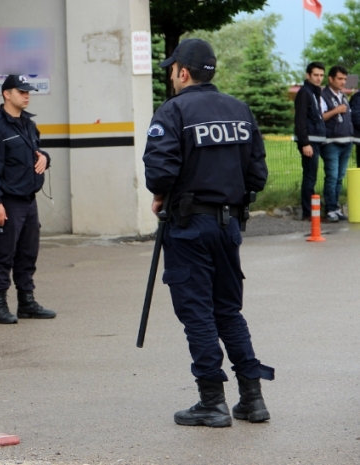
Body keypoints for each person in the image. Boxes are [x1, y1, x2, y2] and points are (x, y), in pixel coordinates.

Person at [143, 38, 273, 428]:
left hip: (188, 228)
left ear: (183, 71)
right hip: (228, 224)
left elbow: (160, 172)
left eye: (172, 69)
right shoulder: (239, 110)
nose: (171, 75)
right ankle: (252, 398)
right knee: (228, 311)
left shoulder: (173, 111)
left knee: (198, 313)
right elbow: (257, 174)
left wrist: (162, 196)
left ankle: (211, 401)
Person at [0, 75, 56, 325]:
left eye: (28, 91)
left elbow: (35, 152)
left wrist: (44, 157)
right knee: (4, 255)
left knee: (27, 253)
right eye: (21, 91)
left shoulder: (28, 124)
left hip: (28, 200)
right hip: (7, 201)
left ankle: (26, 302)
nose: (26, 95)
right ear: (6, 94)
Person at [294, 62, 327, 221]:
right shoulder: (305, 93)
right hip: (309, 142)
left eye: (321, 75)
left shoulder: (315, 92)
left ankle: (312, 211)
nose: (319, 78)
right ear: (308, 75)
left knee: (312, 176)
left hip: (316, 140)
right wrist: (305, 142)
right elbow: (300, 120)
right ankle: (308, 213)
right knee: (309, 177)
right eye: (316, 75)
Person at [320, 65, 352, 222]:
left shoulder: (343, 95)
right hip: (331, 142)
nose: (343, 82)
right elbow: (320, 117)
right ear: (331, 78)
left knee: (339, 177)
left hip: (347, 141)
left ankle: (336, 207)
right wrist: (336, 110)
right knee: (332, 176)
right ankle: (330, 209)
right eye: (340, 78)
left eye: (345, 79)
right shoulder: (323, 95)